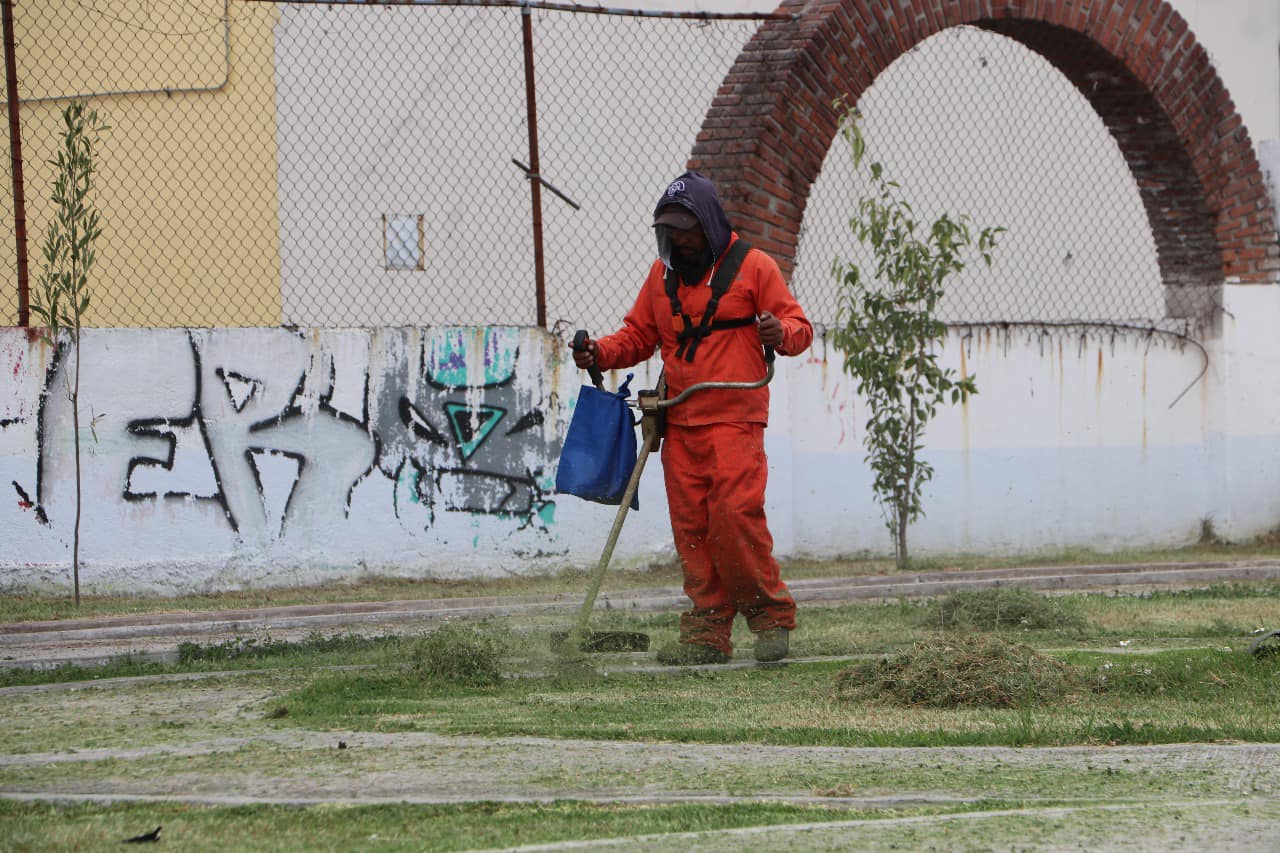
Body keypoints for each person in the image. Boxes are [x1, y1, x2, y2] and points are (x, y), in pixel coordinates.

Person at [572, 171, 813, 664]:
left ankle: (771, 620)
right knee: (693, 530)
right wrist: (598, 352)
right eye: (671, 233)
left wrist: (776, 332)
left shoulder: (755, 268)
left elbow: (799, 328)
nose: (680, 241)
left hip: (735, 421)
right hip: (679, 423)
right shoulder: (661, 279)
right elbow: (637, 335)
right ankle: (705, 636)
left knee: (734, 522)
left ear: (710, 226)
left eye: (688, 231)